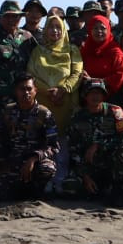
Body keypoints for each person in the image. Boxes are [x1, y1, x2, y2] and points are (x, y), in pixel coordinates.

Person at [27, 14, 83, 183]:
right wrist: (48, 91)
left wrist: (63, 90)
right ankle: (44, 181)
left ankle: (61, 181)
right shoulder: (38, 51)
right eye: (51, 27)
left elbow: (77, 73)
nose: (55, 31)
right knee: (43, 141)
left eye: (58, 27)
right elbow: (30, 74)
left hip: (66, 102)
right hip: (44, 102)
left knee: (63, 144)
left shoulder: (72, 50)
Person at [0, 75, 58, 202]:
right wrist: (2, 160)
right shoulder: (8, 111)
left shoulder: (44, 114)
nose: (26, 92)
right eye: (22, 89)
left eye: (29, 89)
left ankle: (35, 192)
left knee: (48, 169)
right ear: (16, 91)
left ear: (35, 90)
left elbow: (53, 146)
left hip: (35, 164)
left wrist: (33, 159)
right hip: (11, 162)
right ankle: (18, 190)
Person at [61, 78, 123, 200]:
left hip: (112, 164)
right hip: (89, 166)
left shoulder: (116, 111)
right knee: (69, 187)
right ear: (85, 95)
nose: (95, 96)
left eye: (99, 93)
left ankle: (116, 188)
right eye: (92, 92)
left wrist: (99, 145)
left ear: (104, 95)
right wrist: (85, 176)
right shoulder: (77, 117)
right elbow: (74, 150)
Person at [78, 14, 123, 108]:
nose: (99, 31)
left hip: (111, 99)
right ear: (90, 30)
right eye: (95, 28)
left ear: (108, 30)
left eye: (103, 28)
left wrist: (97, 82)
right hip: (87, 98)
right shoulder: (84, 50)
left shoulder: (115, 51)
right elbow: (78, 69)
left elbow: (120, 74)